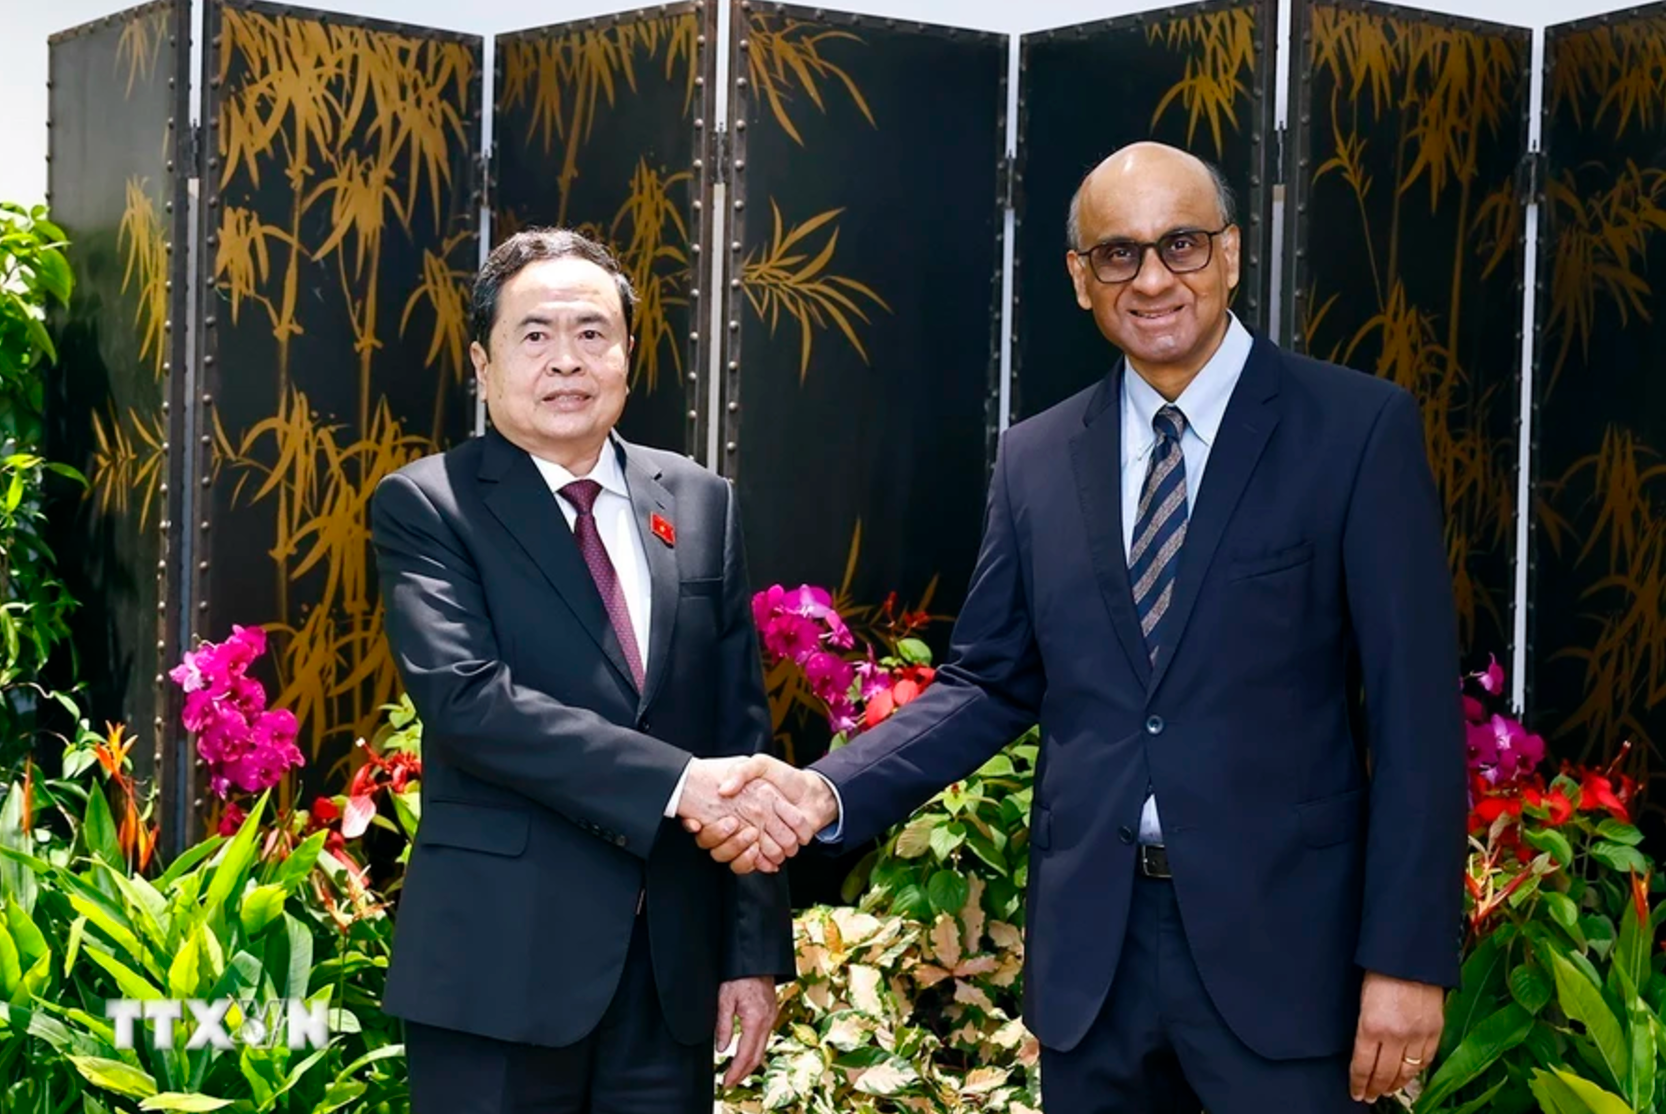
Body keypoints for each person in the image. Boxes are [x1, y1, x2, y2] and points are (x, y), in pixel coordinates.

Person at [688, 142, 1467, 1112]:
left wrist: (1406, 958)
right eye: (1117, 254)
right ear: (1077, 277)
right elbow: (990, 680)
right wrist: (819, 792)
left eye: (1180, 245)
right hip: (1094, 967)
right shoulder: (1037, 456)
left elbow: (1416, 720)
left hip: (1285, 957)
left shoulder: (1354, 431)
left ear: (1230, 252)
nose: (1150, 278)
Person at [370, 228, 813, 1114]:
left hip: (669, 979)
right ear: (481, 361)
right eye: (534, 335)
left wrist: (750, 951)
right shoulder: (430, 504)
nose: (566, 360)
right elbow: (469, 702)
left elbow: (740, 732)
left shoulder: (697, 500)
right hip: (498, 974)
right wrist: (679, 784)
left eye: (592, 333)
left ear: (628, 354)